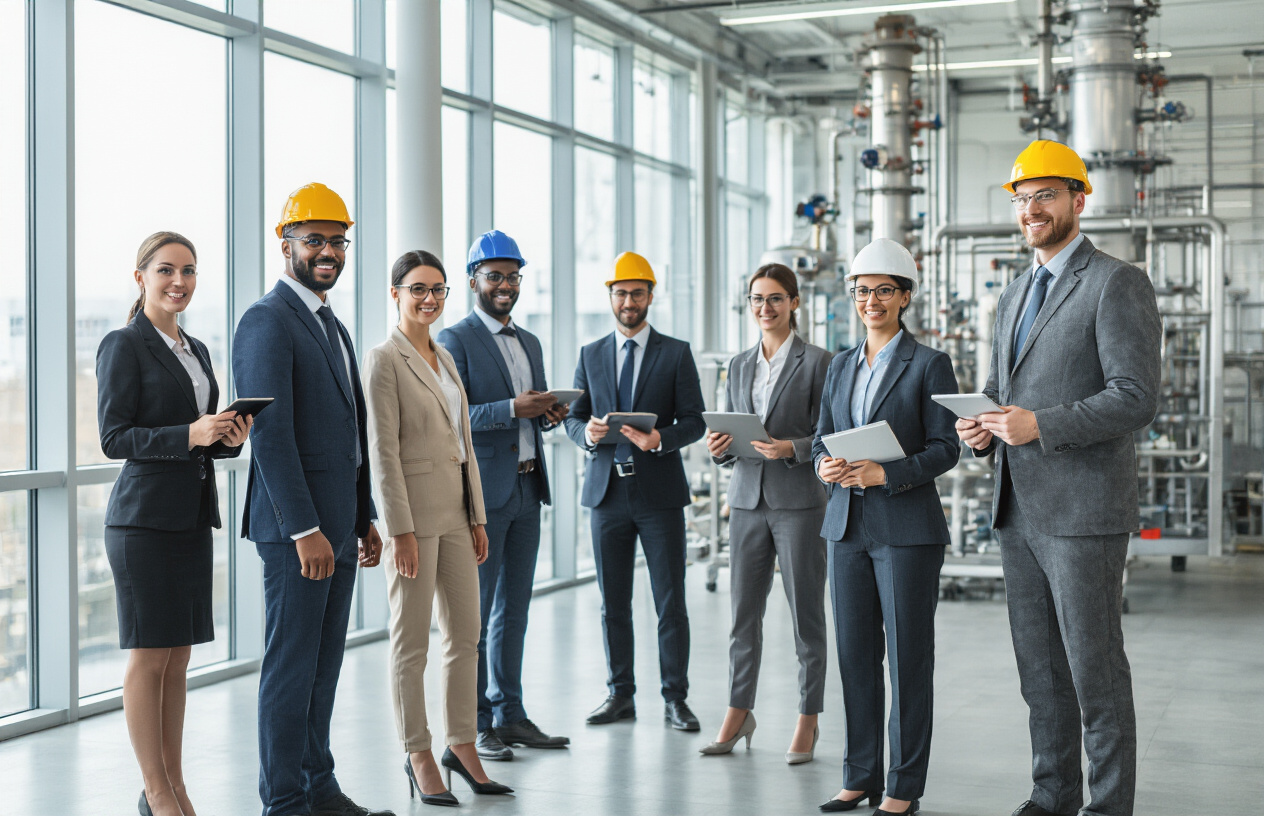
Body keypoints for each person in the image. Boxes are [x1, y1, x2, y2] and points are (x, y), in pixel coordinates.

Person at [956, 141, 1161, 816]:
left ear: (1079, 198)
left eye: (1045, 195)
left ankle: (1107, 808)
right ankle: (1052, 794)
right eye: (1021, 199)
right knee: (1041, 675)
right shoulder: (1014, 294)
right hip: (1019, 512)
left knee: (1094, 673)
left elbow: (1135, 396)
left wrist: (1040, 424)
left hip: (1083, 514)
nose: (1031, 210)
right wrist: (979, 424)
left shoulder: (1115, 282)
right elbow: (1000, 389)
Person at [233, 184, 392, 816]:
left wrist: (363, 516)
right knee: (291, 667)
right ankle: (284, 802)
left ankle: (317, 787)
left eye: (337, 241)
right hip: (297, 532)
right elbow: (270, 437)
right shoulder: (266, 320)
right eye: (314, 240)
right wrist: (304, 529)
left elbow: (348, 434)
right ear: (286, 244)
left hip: (338, 526)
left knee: (324, 666)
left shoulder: (331, 324)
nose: (328, 252)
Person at [97, 231, 251, 816]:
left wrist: (226, 437)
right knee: (149, 656)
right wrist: (191, 433)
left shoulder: (198, 351)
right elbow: (114, 439)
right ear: (141, 277)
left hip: (189, 517)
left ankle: (174, 785)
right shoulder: (123, 344)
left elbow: (199, 440)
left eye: (188, 271)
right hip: (142, 524)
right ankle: (156, 791)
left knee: (179, 657)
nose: (179, 282)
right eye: (166, 271)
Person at [812, 238, 959, 816]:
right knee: (854, 657)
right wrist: (826, 464)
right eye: (862, 290)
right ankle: (859, 776)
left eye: (883, 291)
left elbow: (947, 447)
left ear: (904, 297)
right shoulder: (841, 363)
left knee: (907, 659)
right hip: (845, 527)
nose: (871, 300)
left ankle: (902, 788)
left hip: (905, 531)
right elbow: (824, 433)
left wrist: (886, 472)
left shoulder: (928, 364)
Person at [364, 250, 512, 807]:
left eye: (439, 290)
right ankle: (417, 752)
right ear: (397, 292)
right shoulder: (383, 360)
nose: (430, 299)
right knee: (411, 644)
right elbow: (382, 452)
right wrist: (397, 529)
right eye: (418, 289)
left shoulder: (445, 358)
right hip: (414, 520)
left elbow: (464, 445)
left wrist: (477, 514)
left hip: (457, 513)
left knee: (466, 636)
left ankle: (462, 743)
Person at [436, 230, 570, 761]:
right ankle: (475, 724)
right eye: (494, 276)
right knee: (476, 613)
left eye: (513, 276)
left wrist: (549, 414)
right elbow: (452, 419)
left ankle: (510, 713)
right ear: (474, 281)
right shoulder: (454, 340)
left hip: (527, 485)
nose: (505, 285)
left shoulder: (530, 342)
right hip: (483, 497)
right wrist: (513, 410)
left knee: (514, 611)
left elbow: (528, 412)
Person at [564, 251, 707, 732]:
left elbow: (695, 420)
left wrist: (660, 439)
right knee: (613, 603)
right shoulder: (590, 354)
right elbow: (572, 418)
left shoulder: (676, 353)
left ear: (651, 295)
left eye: (637, 292)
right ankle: (620, 694)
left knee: (670, 602)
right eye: (621, 293)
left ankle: (675, 698)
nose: (629, 301)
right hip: (607, 496)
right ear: (610, 296)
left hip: (659, 494)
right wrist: (587, 434)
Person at [700, 263, 831, 763]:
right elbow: (734, 436)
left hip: (799, 503)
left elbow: (825, 433)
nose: (766, 308)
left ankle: (808, 718)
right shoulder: (737, 365)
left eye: (775, 298)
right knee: (742, 616)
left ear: (794, 302)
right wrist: (719, 447)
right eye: (757, 299)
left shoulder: (819, 362)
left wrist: (792, 449)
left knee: (806, 618)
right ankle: (739, 710)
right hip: (746, 500)